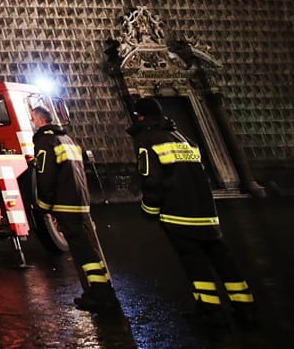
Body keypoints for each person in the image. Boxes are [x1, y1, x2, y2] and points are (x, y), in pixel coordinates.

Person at [128, 97, 256, 327]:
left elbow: (151, 179)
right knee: (222, 259)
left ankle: (211, 310)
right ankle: (245, 307)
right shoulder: (182, 138)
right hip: (205, 212)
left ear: (141, 116)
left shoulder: (147, 139)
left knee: (194, 262)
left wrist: (150, 209)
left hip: (177, 214)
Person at [30, 105, 120, 313]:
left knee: (82, 251)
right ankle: (105, 290)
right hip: (81, 202)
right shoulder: (68, 140)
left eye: (33, 118)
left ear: (42, 120)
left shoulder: (45, 142)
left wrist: (43, 205)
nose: (32, 122)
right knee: (93, 247)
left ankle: (98, 295)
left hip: (64, 205)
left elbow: (46, 176)